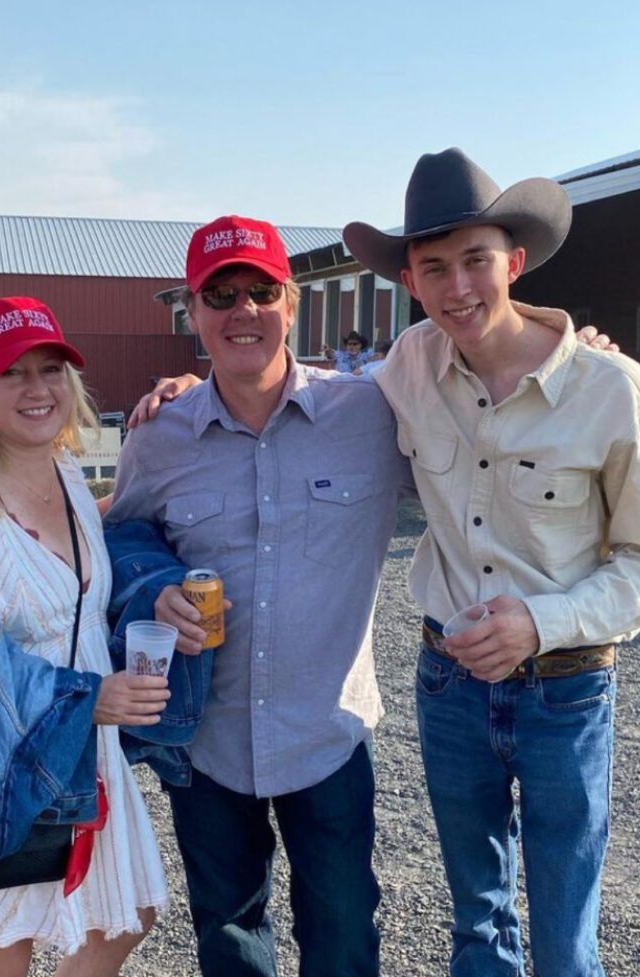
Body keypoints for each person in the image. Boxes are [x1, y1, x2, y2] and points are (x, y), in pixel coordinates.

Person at [342, 148, 640, 977]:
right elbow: (312, 399)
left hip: (566, 689)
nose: (458, 287)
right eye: (435, 268)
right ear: (411, 282)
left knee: (566, 942)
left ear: (515, 262)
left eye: (476, 260)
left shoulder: (613, 388)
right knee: (477, 923)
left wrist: (540, 621)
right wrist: (197, 390)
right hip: (448, 684)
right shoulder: (408, 366)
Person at [105, 215, 414, 977]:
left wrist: (567, 350)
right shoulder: (158, 436)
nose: (243, 309)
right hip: (208, 739)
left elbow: (480, 405)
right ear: (193, 313)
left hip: (327, 733)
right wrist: (155, 589)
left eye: (261, 291)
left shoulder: (374, 412)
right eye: (220, 295)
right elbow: (117, 541)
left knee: (344, 936)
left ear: (292, 305)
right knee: (230, 935)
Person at [0, 296, 169, 977]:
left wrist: (188, 399)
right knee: (4, 951)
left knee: (128, 912)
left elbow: (75, 570)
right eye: (11, 372)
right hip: (0, 762)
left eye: (50, 368)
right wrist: (86, 697)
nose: (36, 387)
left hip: (83, 749)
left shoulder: (68, 475)